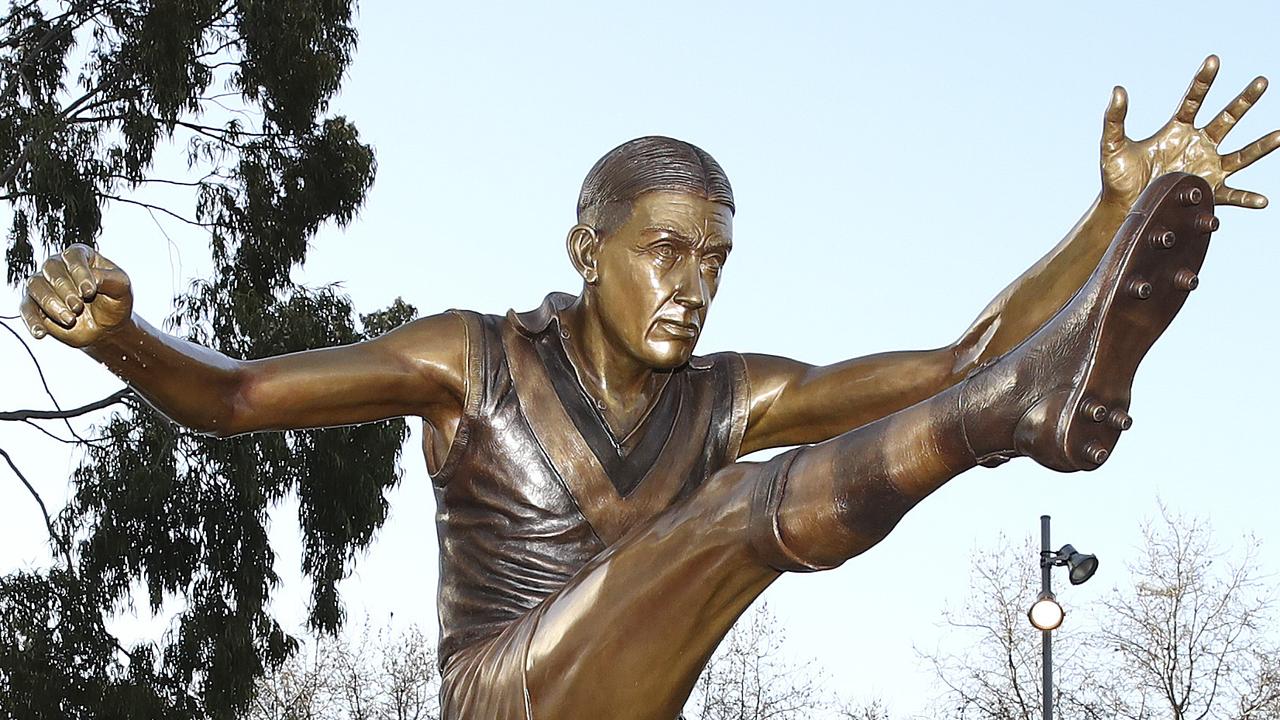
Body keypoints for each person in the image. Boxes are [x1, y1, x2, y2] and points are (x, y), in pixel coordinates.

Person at [17, 56, 1279, 719]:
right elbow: (232, 400)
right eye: (665, 250)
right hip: (506, 697)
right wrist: (121, 337)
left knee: (793, 471)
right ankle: (1005, 431)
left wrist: (1104, 218)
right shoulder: (469, 360)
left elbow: (960, 353)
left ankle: (1016, 414)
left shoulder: (730, 393)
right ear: (589, 251)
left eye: (716, 260)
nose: (694, 284)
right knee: (741, 510)